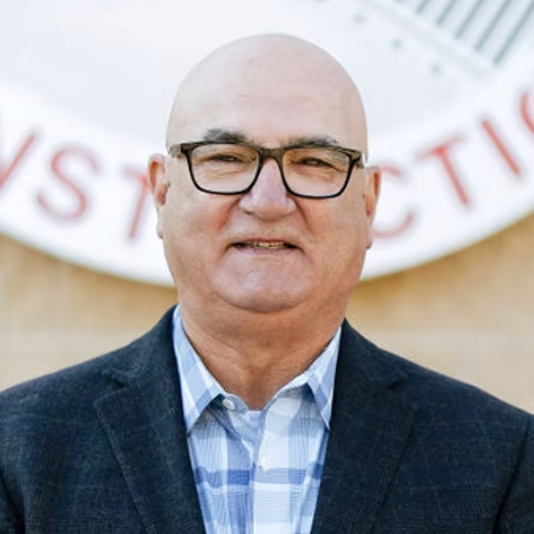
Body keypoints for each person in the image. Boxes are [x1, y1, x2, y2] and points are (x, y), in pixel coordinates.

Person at [0, 34, 533, 534]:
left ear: (368, 204)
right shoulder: (16, 449)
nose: (269, 201)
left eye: (314, 162)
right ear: (161, 193)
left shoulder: (502, 461)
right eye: (227, 158)